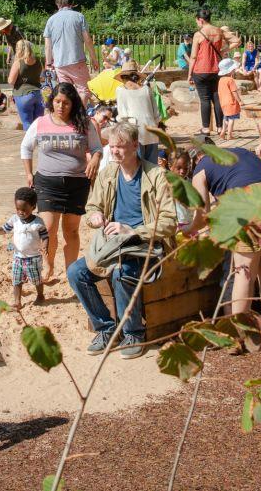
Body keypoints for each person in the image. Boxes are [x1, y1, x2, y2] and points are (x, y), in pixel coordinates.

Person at [68, 121, 176, 359]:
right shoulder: (108, 174)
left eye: (120, 146)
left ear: (135, 145)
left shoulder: (156, 175)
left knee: (121, 273)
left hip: (144, 243)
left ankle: (134, 333)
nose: (114, 151)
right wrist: (95, 216)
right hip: (112, 243)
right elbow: (93, 206)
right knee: (76, 272)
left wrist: (133, 230)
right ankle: (107, 328)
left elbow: (169, 221)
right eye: (112, 146)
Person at [190, 145, 261, 335]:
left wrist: (189, 229)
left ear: (197, 158)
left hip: (252, 200)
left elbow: (202, 214)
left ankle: (239, 335)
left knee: (244, 273)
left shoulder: (201, 166)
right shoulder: (241, 151)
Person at [20, 82, 102, 283]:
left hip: (77, 184)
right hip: (47, 182)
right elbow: (25, 147)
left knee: (71, 230)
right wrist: (29, 173)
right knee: (48, 229)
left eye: (66, 102)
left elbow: (97, 148)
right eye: (57, 101)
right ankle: (48, 266)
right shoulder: (40, 122)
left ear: (73, 103)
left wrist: (94, 158)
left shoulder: (84, 123)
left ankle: (71, 272)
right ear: (52, 102)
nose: (61, 106)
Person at [0, 187, 48, 308]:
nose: (20, 212)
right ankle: (17, 302)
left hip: (33, 258)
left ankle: (40, 295)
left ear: (33, 207)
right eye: (17, 209)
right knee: (16, 280)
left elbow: (45, 236)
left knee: (36, 279)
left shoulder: (38, 222)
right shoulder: (14, 219)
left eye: (24, 209)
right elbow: (5, 229)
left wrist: (45, 246)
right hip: (17, 257)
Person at [43, 0, 96, 97]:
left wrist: (49, 64)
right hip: (77, 60)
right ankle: (80, 112)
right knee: (84, 90)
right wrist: (94, 59)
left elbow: (47, 46)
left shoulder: (51, 20)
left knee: (66, 92)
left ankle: (70, 113)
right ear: (71, 4)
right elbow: (88, 40)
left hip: (60, 63)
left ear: (57, 4)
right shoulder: (79, 17)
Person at [113, 60, 160, 163]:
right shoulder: (146, 89)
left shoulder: (120, 91)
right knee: (152, 166)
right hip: (152, 129)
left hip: (135, 131)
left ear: (123, 77)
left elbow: (122, 116)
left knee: (137, 166)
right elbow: (156, 115)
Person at [188, 8, 226, 136]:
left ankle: (205, 129)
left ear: (201, 20)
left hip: (201, 70)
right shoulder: (219, 31)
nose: (197, 23)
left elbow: (193, 56)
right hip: (216, 70)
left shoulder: (198, 34)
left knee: (205, 100)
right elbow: (235, 41)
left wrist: (189, 74)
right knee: (217, 99)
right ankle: (220, 128)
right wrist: (223, 51)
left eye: (197, 21)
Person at [9, 39, 44, 131]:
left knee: (27, 123)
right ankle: (39, 143)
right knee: (38, 124)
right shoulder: (38, 62)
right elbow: (43, 78)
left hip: (23, 95)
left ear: (19, 49)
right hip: (38, 95)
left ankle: (29, 144)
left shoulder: (18, 63)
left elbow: (11, 81)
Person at [217, 57, 242, 139]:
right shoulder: (230, 80)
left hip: (223, 102)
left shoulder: (221, 80)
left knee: (225, 118)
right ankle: (229, 134)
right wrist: (240, 101)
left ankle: (223, 131)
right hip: (231, 102)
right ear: (230, 70)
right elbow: (234, 91)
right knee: (231, 119)